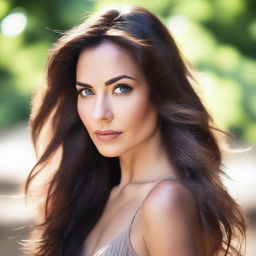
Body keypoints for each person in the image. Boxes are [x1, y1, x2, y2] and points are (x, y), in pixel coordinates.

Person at [24, 4, 246, 256]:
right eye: (86, 91)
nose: (100, 114)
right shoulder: (94, 196)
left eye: (121, 88)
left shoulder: (166, 202)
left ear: (160, 91)